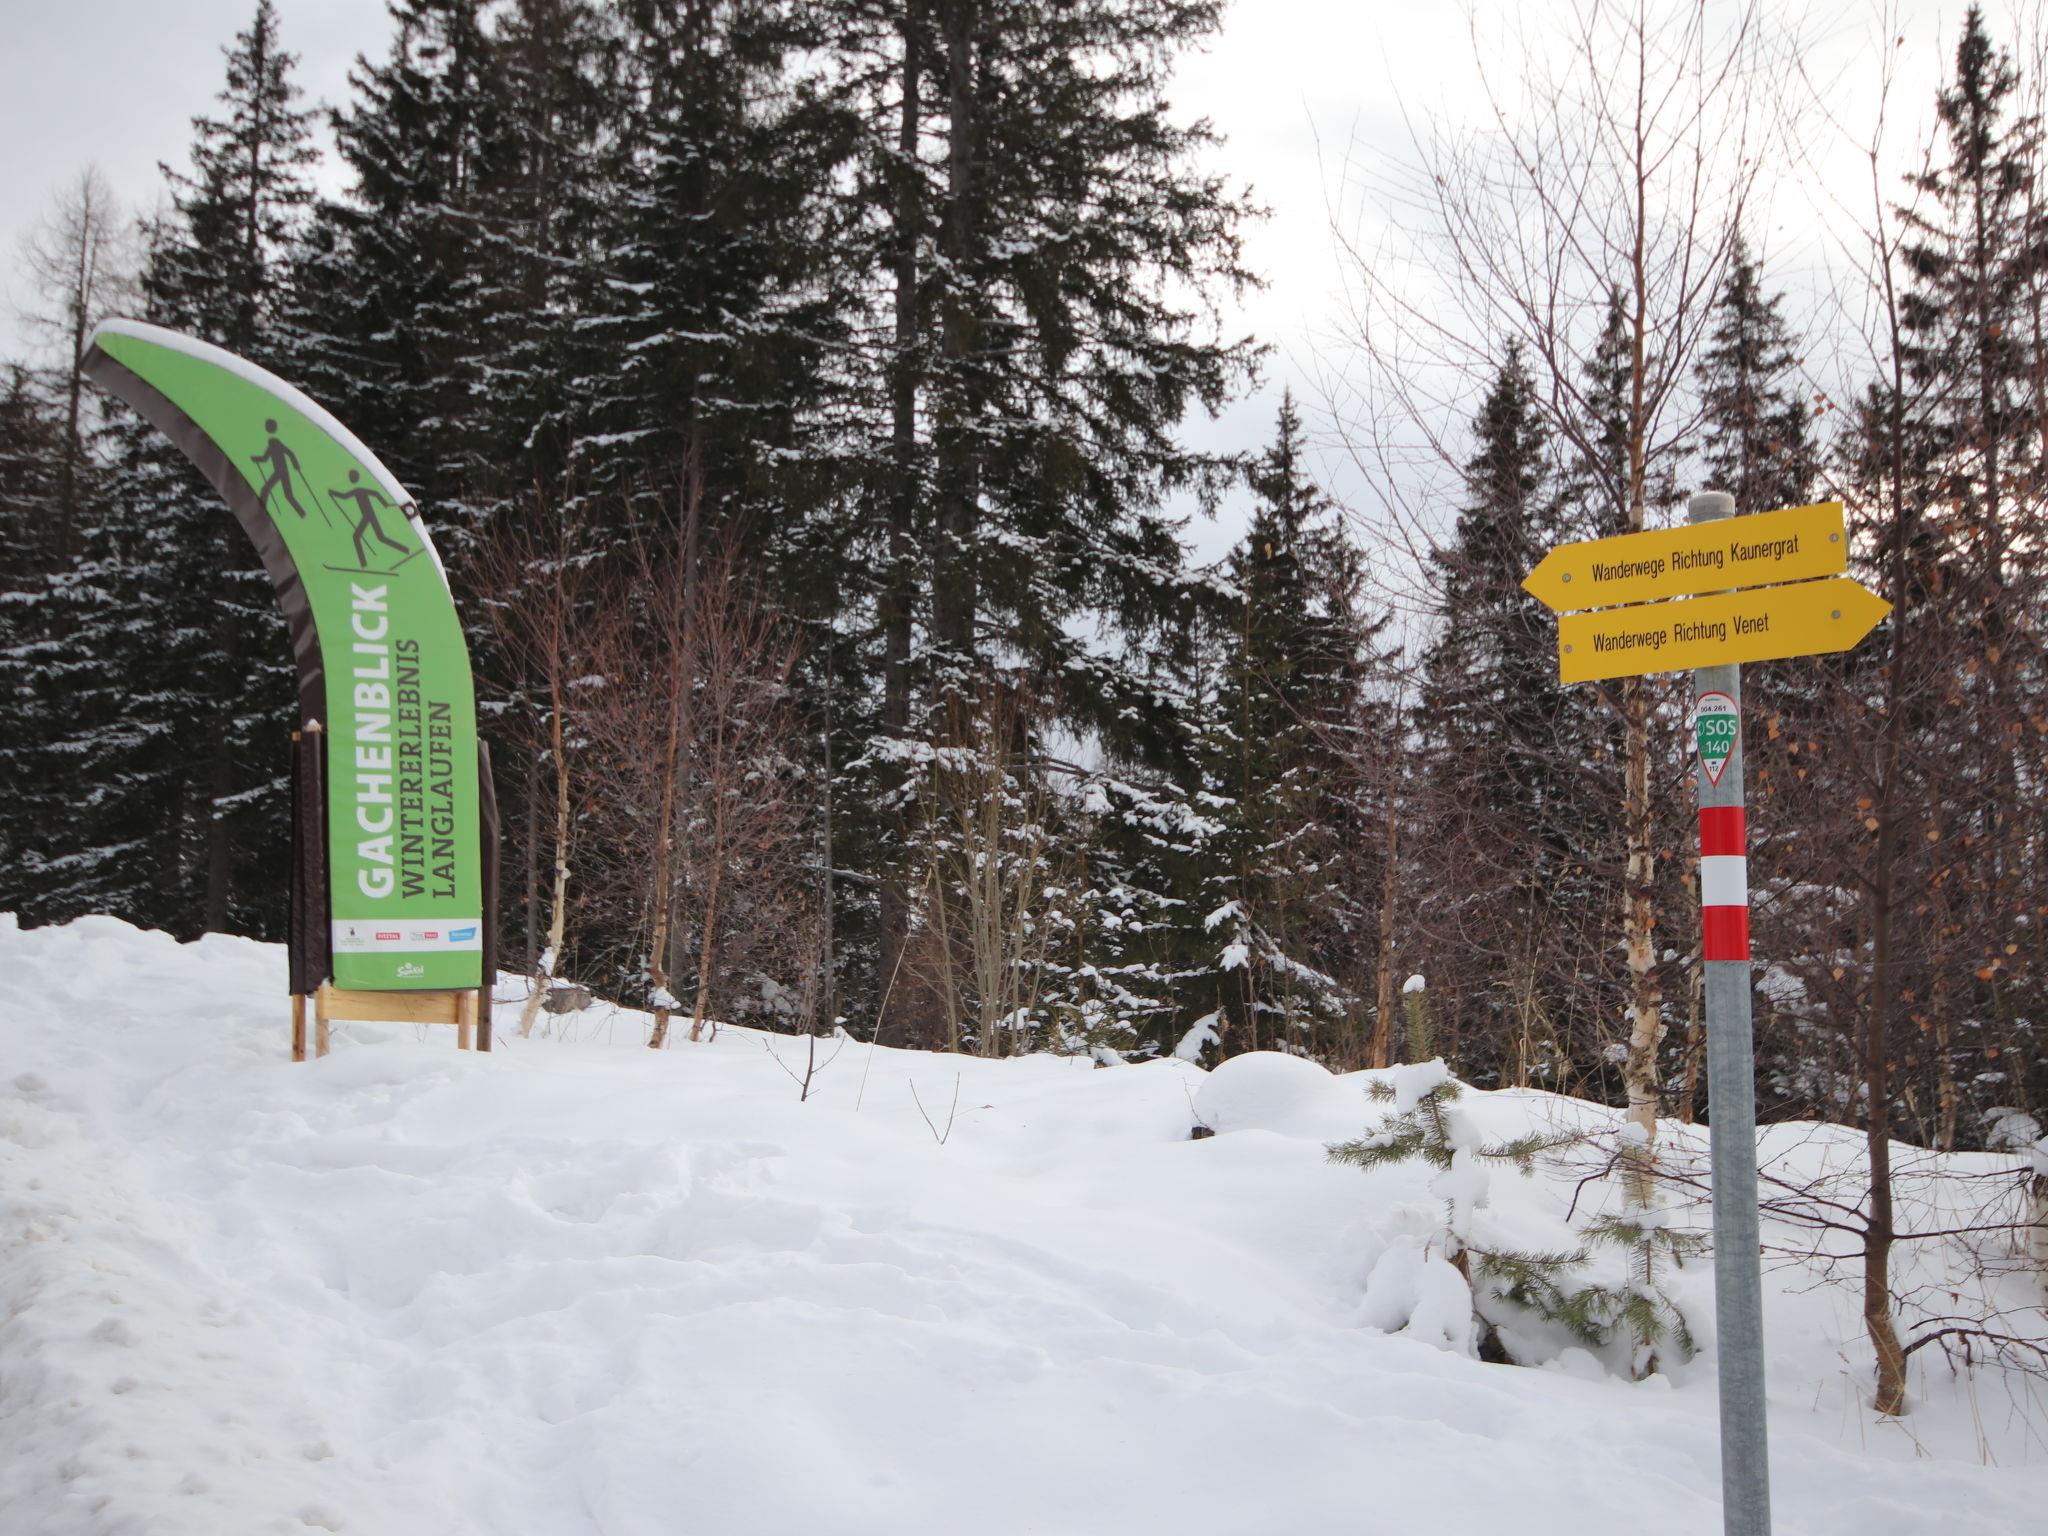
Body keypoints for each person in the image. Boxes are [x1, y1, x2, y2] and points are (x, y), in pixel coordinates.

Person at [328, 469, 411, 568]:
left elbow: (374, 493)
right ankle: (405, 550)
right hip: (368, 515)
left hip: (368, 515)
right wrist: (333, 493)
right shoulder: (358, 490)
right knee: (379, 537)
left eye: (351, 477)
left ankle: (363, 564)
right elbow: (345, 496)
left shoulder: (359, 490)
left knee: (359, 537)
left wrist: (385, 504)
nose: (351, 478)